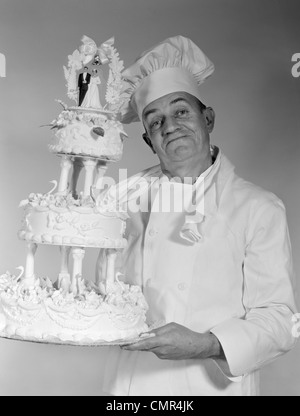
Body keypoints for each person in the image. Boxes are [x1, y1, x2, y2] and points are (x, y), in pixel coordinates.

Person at [101, 36, 298, 396]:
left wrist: (206, 344)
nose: (169, 126)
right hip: (131, 386)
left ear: (207, 117)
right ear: (148, 140)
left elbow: (281, 321)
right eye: (155, 121)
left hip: (213, 386)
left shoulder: (257, 207)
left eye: (181, 111)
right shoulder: (121, 200)